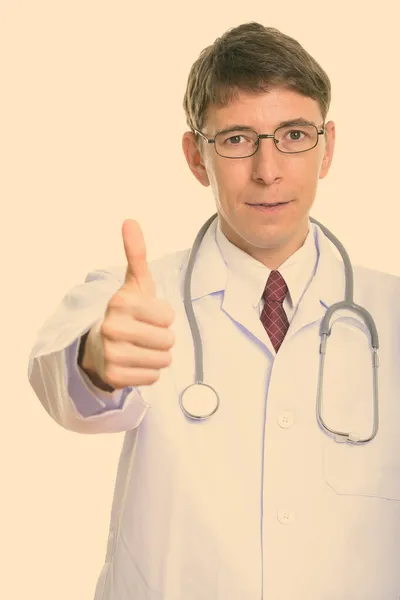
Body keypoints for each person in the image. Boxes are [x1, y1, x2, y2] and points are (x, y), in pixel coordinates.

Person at [28, 21, 400, 600]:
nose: (268, 170)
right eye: (236, 139)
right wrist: (98, 359)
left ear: (328, 147)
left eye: (294, 135)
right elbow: (61, 384)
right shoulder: (139, 298)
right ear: (196, 157)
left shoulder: (391, 314)